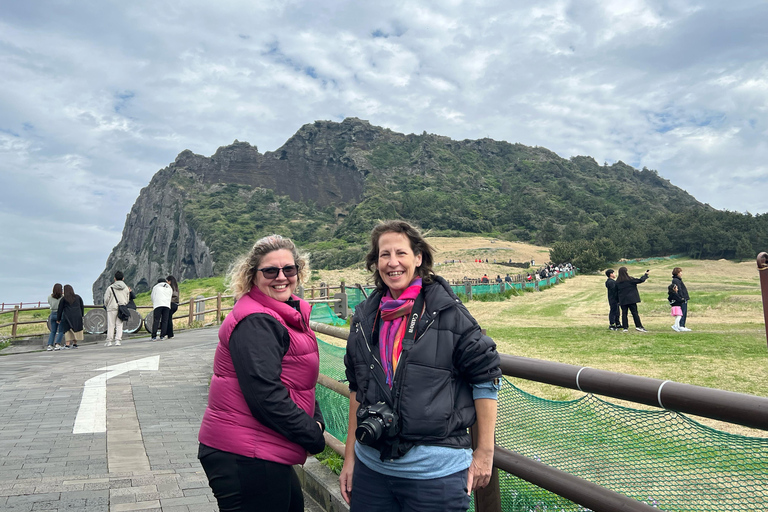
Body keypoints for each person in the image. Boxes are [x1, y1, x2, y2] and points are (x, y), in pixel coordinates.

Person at [339, 220, 502, 512]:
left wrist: (485, 452)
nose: (392, 263)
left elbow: (486, 376)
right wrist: (350, 457)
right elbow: (356, 388)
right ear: (375, 263)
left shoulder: (447, 312)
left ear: (418, 258)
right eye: (383, 254)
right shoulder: (365, 317)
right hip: (371, 469)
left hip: (435, 475)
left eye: (401, 253)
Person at [198, 234, 325, 512]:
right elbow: (265, 395)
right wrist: (314, 436)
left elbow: (295, 382)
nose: (281, 277)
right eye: (270, 270)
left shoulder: (283, 313)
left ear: (298, 272)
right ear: (253, 275)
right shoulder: (257, 320)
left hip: (261, 448)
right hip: (244, 453)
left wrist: (315, 418)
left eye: (289, 269)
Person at [616, 267, 649, 333]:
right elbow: (640, 280)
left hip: (623, 300)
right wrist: (645, 275)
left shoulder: (617, 282)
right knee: (634, 313)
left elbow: (616, 292)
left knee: (624, 314)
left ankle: (625, 327)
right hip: (631, 299)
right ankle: (638, 326)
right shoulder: (630, 280)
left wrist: (618, 300)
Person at [104, 271, 131, 347]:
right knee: (119, 324)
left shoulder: (110, 288)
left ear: (114, 278)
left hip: (112, 308)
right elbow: (127, 298)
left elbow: (106, 299)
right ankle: (118, 340)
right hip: (121, 307)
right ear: (123, 278)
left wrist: (107, 305)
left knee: (111, 325)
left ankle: (109, 341)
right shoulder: (125, 288)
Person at [57, 284, 84, 349]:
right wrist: (82, 315)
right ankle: (75, 343)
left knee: (68, 330)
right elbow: (81, 306)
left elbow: (60, 309)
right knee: (76, 329)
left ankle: (67, 344)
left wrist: (58, 318)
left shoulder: (63, 299)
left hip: (68, 316)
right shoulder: (78, 297)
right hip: (77, 315)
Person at [46, 283, 65, 351]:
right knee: (61, 330)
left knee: (53, 331)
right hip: (61, 314)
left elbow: (49, 303)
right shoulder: (63, 297)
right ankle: (57, 344)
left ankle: (50, 345)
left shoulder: (49, 297)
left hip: (52, 313)